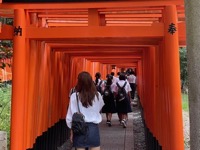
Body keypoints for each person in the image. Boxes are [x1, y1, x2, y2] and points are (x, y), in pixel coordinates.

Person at [66, 71, 105, 150]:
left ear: (79, 82)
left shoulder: (75, 96)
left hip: (79, 128)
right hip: (93, 128)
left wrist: (72, 131)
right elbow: (99, 107)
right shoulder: (97, 95)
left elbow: (70, 116)